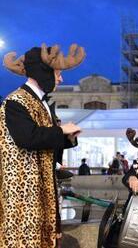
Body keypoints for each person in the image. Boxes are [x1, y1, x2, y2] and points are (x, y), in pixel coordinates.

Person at [0, 44, 84, 247]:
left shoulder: (38, 101)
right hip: (22, 193)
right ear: (44, 72)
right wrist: (60, 131)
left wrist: (68, 139)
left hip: (38, 187)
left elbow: (43, 141)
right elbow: (27, 138)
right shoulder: (15, 101)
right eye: (58, 73)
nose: (61, 78)